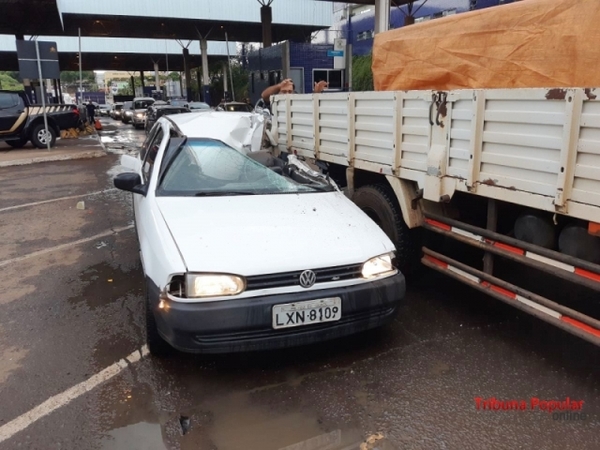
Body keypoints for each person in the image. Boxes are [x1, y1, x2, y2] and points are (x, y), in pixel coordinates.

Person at [260, 78, 328, 109]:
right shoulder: (274, 102)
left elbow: (310, 107)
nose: (287, 94)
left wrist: (317, 93)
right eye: (284, 91)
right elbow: (264, 95)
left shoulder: (297, 102)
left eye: (289, 91)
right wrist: (279, 86)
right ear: (278, 92)